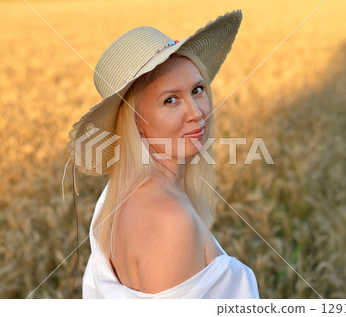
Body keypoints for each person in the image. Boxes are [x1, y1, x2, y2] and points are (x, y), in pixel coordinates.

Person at [67, 10, 259, 298]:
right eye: (170, 100)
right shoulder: (168, 221)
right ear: (135, 122)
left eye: (197, 90)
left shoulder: (116, 198)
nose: (197, 113)